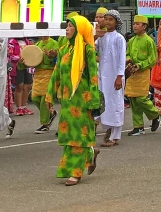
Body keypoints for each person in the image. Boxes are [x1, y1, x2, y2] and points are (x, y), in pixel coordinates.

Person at [46, 15, 102, 186]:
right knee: (70, 135)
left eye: (71, 26)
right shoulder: (63, 49)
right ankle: (90, 154)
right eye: (67, 26)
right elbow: (56, 73)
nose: (67, 29)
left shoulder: (87, 50)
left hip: (83, 100)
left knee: (80, 135)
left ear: (80, 29)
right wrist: (49, 96)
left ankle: (76, 172)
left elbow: (93, 77)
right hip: (67, 100)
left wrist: (93, 102)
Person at [125, 15, 161, 136]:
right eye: (134, 23)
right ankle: (138, 126)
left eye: (138, 24)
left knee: (141, 98)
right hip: (132, 73)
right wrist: (128, 60)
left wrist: (140, 65)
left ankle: (155, 114)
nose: (135, 26)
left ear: (144, 26)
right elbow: (127, 54)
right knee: (133, 99)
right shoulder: (131, 40)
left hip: (143, 73)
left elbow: (152, 59)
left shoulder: (148, 41)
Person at [96, 10, 126, 146]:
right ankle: (109, 129)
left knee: (115, 103)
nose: (107, 22)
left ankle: (115, 136)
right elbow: (92, 48)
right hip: (103, 76)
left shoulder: (119, 38)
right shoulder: (101, 38)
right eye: (106, 19)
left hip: (115, 77)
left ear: (117, 22)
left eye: (110, 20)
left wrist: (119, 76)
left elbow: (121, 59)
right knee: (105, 103)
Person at [31, 35, 60, 133]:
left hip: (49, 72)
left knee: (45, 99)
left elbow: (58, 58)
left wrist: (52, 56)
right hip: (38, 73)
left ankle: (45, 124)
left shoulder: (54, 43)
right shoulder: (37, 44)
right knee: (34, 98)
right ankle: (51, 113)